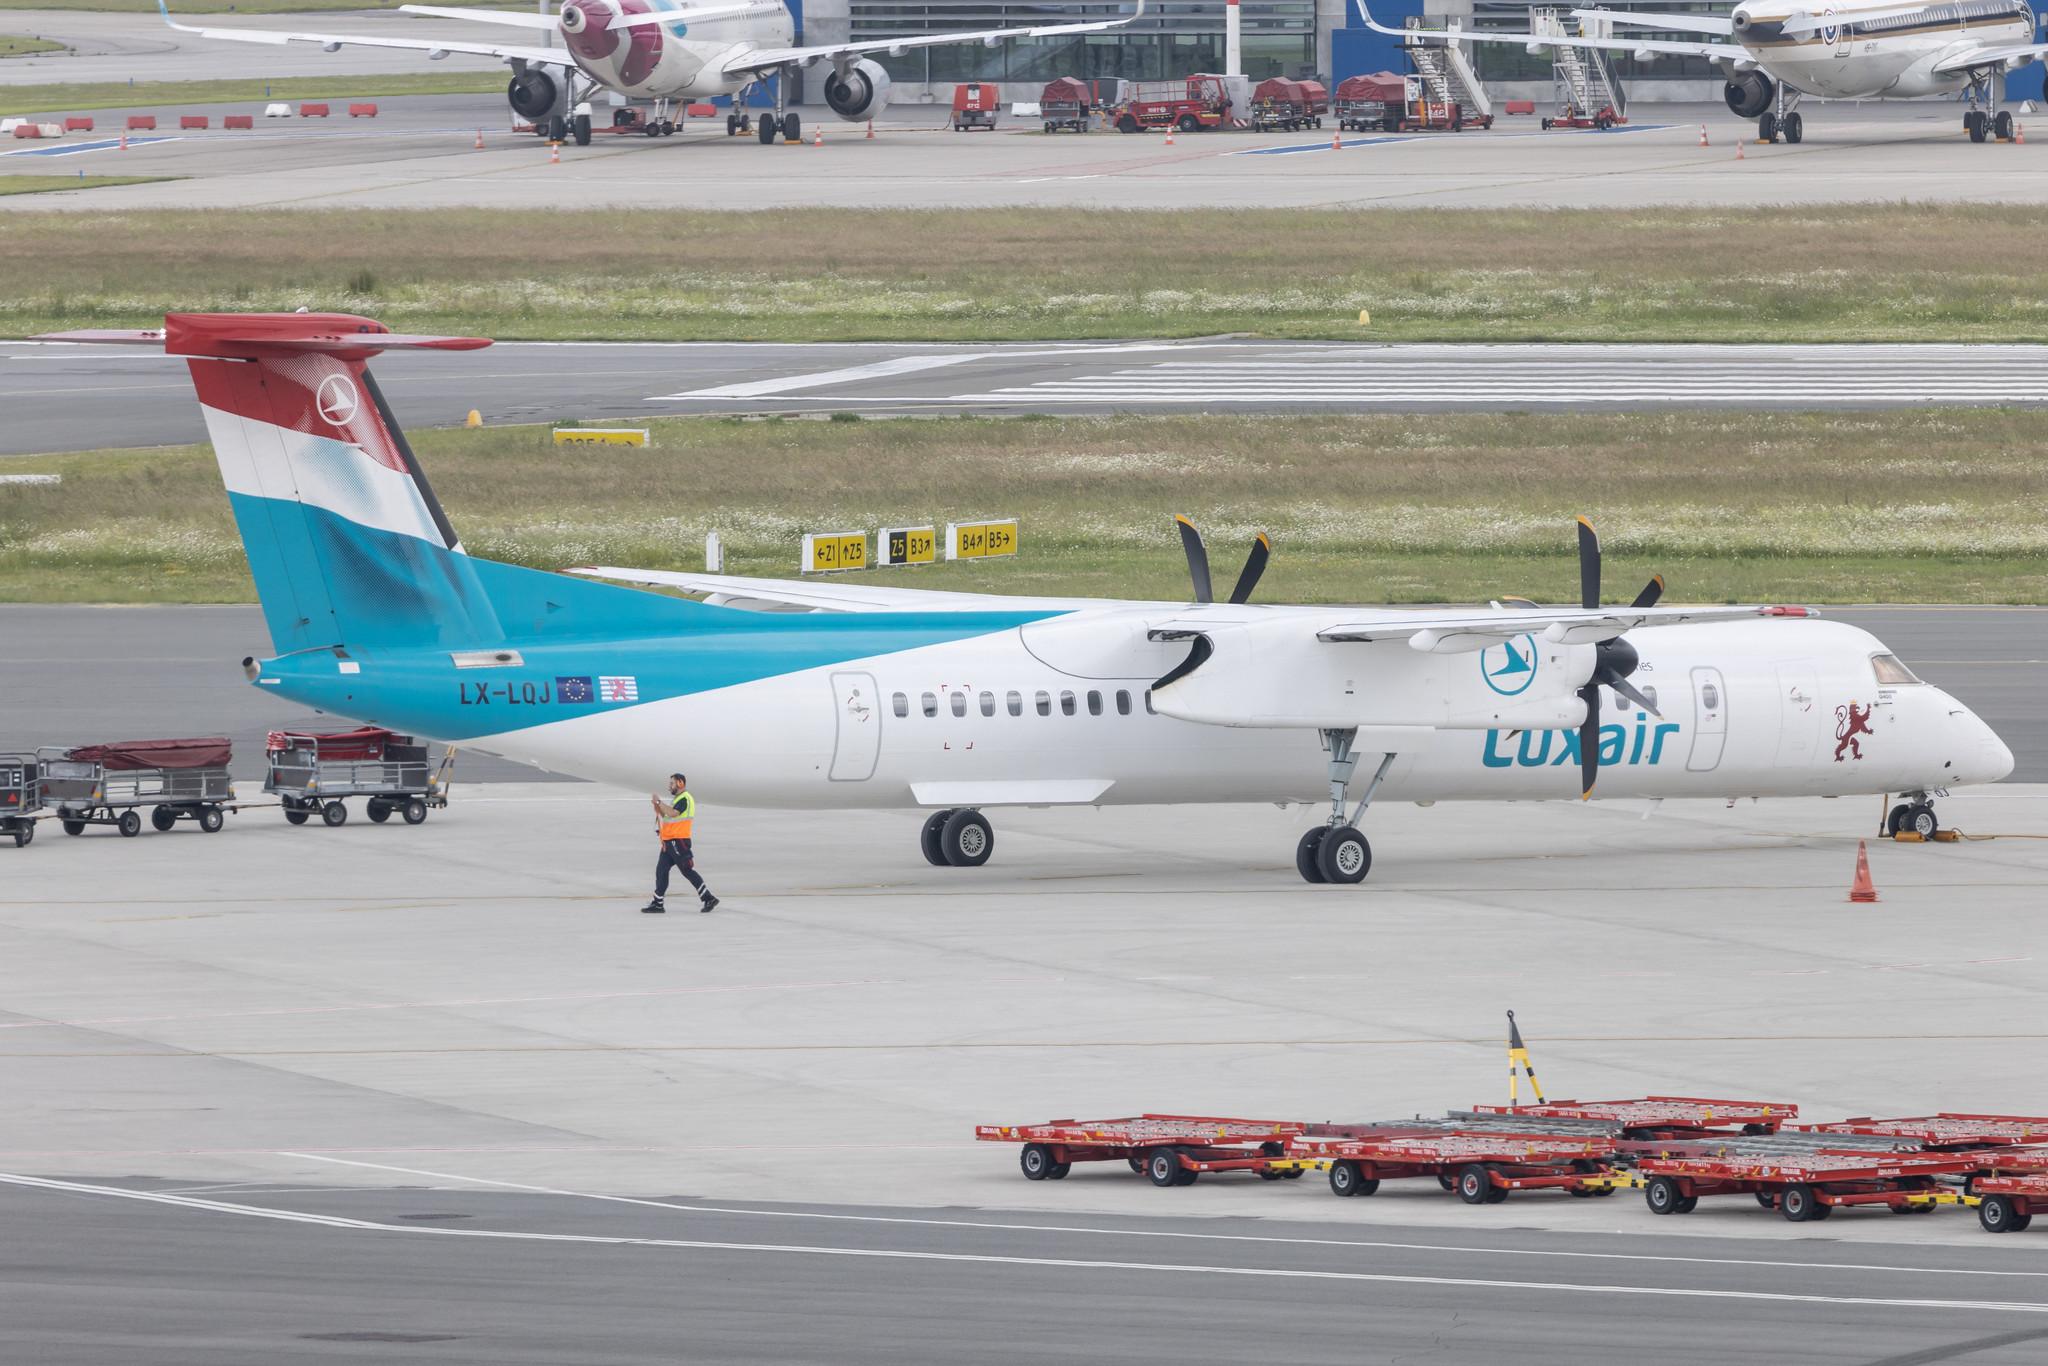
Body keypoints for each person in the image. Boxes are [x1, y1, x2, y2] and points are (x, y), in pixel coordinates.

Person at [642, 773, 718, 914]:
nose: (669, 786)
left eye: (672, 783)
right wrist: (657, 806)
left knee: (686, 870)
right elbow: (666, 815)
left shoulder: (685, 799)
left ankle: (709, 898)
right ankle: (658, 903)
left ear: (680, 783)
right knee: (661, 871)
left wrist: (659, 802)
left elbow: (673, 814)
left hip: (678, 841)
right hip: (669, 842)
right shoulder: (677, 799)